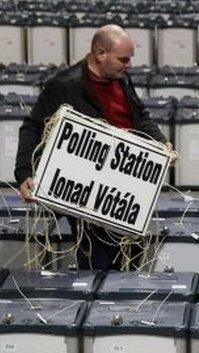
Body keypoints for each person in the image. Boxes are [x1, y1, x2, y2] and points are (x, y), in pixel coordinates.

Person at [15, 24, 175, 270]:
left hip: (125, 179)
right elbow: (32, 127)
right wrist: (24, 173)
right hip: (87, 189)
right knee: (98, 259)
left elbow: (139, 115)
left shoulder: (121, 78)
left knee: (131, 251)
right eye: (124, 59)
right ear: (101, 54)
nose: (130, 65)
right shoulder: (64, 85)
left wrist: (160, 142)